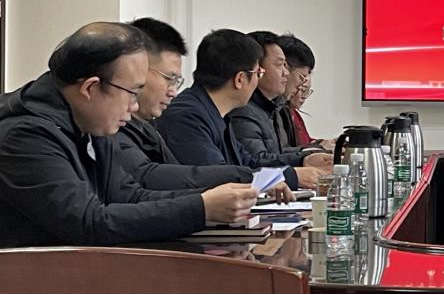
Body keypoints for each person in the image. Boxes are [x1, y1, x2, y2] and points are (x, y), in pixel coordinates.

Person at [0, 23, 258, 247]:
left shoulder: (88, 122)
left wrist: (212, 198)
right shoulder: (25, 135)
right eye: (132, 93)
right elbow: (88, 223)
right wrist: (201, 208)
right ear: (90, 88)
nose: (134, 107)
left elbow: (130, 196)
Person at [114, 18, 277, 193]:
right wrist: (249, 179)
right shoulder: (184, 115)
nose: (173, 92)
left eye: (176, 81)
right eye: (169, 78)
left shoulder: (148, 127)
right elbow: (148, 178)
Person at [158, 29, 331, 190]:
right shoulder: (187, 115)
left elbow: (247, 162)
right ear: (240, 79)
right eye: (258, 74)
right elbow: (217, 177)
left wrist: (303, 160)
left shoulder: (215, 112)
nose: (257, 82)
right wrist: (289, 176)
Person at [228, 32, 327, 190]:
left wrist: (307, 156)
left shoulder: (272, 108)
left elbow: (269, 156)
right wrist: (302, 162)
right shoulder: (243, 111)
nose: (285, 73)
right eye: (280, 65)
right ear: (257, 69)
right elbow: (254, 162)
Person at [276, 34, 330, 149]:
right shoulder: (274, 112)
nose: (303, 97)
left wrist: (319, 144)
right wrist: (318, 148)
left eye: (306, 92)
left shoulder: (291, 113)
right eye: (301, 89)